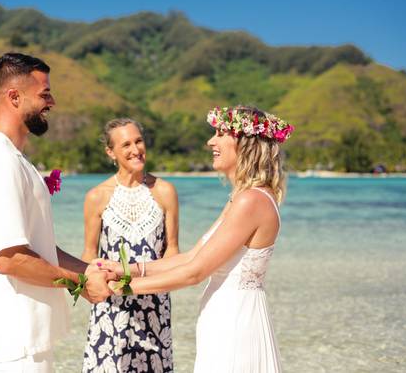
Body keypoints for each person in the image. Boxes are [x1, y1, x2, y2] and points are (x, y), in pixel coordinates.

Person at [97, 106, 294, 372]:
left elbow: (195, 273)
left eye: (221, 133)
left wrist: (126, 287)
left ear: (245, 143)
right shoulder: (243, 197)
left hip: (235, 321)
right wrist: (126, 269)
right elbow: (192, 257)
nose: (210, 141)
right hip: (226, 317)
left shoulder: (251, 200)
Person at [0, 52, 113, 373]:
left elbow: (37, 247)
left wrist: (88, 270)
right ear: (14, 97)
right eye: (44, 93)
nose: (52, 102)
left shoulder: (15, 161)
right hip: (17, 343)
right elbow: (10, 259)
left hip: (28, 340)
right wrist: (80, 285)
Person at [81, 118, 180, 373]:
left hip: (155, 309)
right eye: (126, 144)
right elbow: (89, 255)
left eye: (138, 141)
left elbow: (172, 251)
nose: (136, 149)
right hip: (111, 310)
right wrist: (86, 287)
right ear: (110, 152)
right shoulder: (96, 197)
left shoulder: (165, 191)